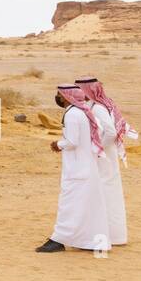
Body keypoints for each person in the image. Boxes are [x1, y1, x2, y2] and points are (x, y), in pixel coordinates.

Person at [36, 84, 109, 253]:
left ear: (67, 97)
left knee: (68, 204)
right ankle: (88, 242)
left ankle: (58, 240)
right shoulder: (82, 112)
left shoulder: (72, 114)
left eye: (59, 95)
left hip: (77, 169)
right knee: (84, 205)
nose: (58, 98)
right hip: (85, 166)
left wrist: (58, 144)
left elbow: (72, 142)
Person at [76, 76, 136, 246]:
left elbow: (110, 132)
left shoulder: (98, 108)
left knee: (107, 193)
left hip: (104, 157)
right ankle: (111, 235)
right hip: (105, 156)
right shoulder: (94, 106)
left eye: (80, 89)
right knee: (106, 193)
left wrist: (97, 148)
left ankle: (113, 236)